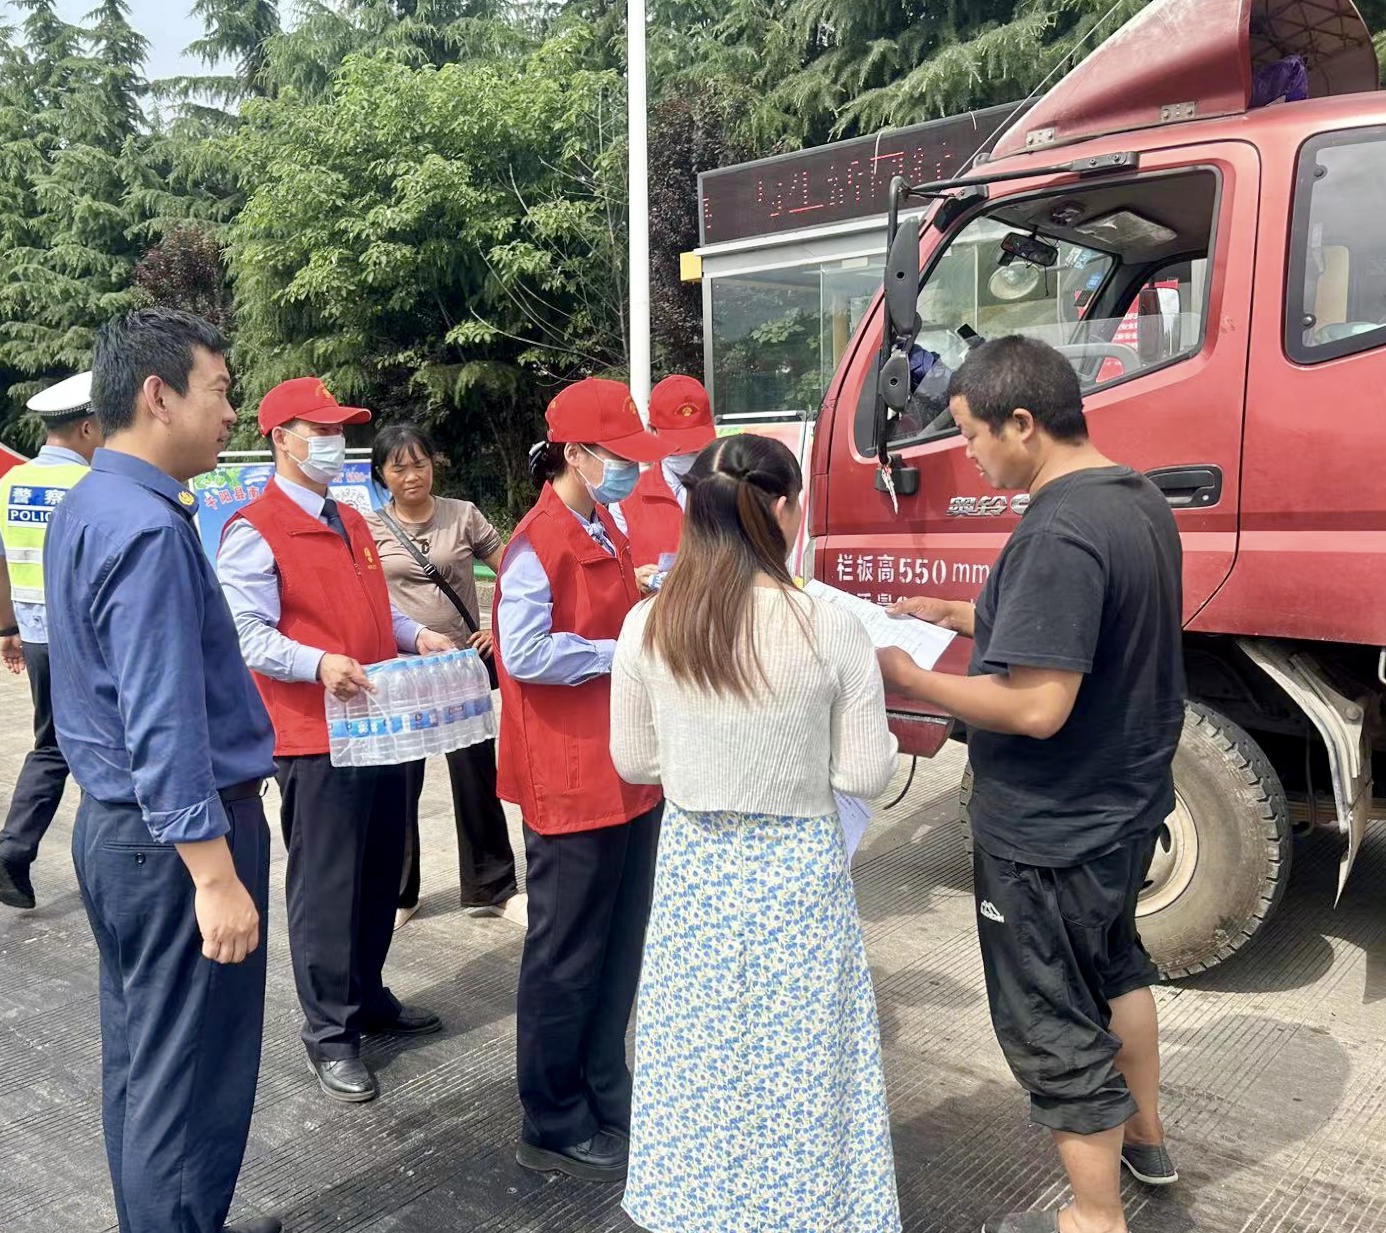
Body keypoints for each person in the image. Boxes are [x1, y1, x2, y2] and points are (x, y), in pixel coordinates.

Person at [877, 336, 1184, 1233]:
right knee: (1116, 968)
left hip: (1052, 830)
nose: (967, 454)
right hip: (1123, 807)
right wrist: (958, 613)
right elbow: (1081, 625)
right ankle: (1146, 1138)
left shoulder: (1055, 528)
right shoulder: (1132, 496)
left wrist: (912, 676)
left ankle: (1094, 1215)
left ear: (1022, 422)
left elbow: (1040, 705)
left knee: (1050, 1017)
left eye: (972, 434)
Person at [610, 431, 902, 1233]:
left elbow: (634, 759)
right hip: (797, 872)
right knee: (802, 1067)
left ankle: (696, 1209)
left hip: (695, 869)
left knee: (697, 1063)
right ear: (780, 508)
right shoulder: (829, 627)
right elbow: (864, 773)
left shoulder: (648, 624)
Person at [43, 308, 280, 1233]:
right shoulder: (145, 529)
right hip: (176, 838)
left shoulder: (90, 503)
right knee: (191, 1077)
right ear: (159, 394)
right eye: (219, 391)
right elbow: (164, 721)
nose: (231, 413)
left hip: (122, 833)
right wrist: (214, 876)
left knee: (147, 1064)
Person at [217, 378, 456, 1105]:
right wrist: (317, 663)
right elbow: (246, 632)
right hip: (314, 734)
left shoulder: (350, 518)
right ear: (280, 439)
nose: (334, 442)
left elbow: (375, 611)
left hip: (379, 722)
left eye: (338, 429)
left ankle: (367, 993)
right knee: (327, 885)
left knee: (380, 871)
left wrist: (415, 635)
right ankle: (330, 1033)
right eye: (319, 430)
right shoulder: (255, 528)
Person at [494, 376, 668, 1183]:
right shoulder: (538, 542)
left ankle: (606, 1080)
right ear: (574, 454)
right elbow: (524, 651)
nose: (629, 469)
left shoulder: (606, 523)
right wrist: (619, 651)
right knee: (566, 955)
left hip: (627, 769)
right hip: (570, 778)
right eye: (616, 455)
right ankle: (552, 1113)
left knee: (619, 947)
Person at [362, 421, 524, 931]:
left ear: (434, 464)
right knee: (399, 783)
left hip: (460, 669)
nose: (412, 475)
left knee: (476, 777)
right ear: (381, 475)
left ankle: (493, 888)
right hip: (402, 675)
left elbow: (517, 572)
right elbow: (363, 597)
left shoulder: (463, 515)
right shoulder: (368, 528)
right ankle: (398, 894)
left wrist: (497, 627)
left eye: (420, 463)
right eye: (399, 467)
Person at [0, 371, 99, 910]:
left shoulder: (8, 485)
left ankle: (12, 851)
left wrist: (8, 629)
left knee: (51, 745)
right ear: (89, 428)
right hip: (90, 640)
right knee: (109, 743)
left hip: (38, 640)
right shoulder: (92, 486)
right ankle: (112, 860)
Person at [609, 373, 717, 571]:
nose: (686, 454)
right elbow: (616, 570)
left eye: (695, 447)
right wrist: (635, 578)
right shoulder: (628, 498)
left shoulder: (733, 489)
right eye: (677, 447)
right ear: (652, 431)